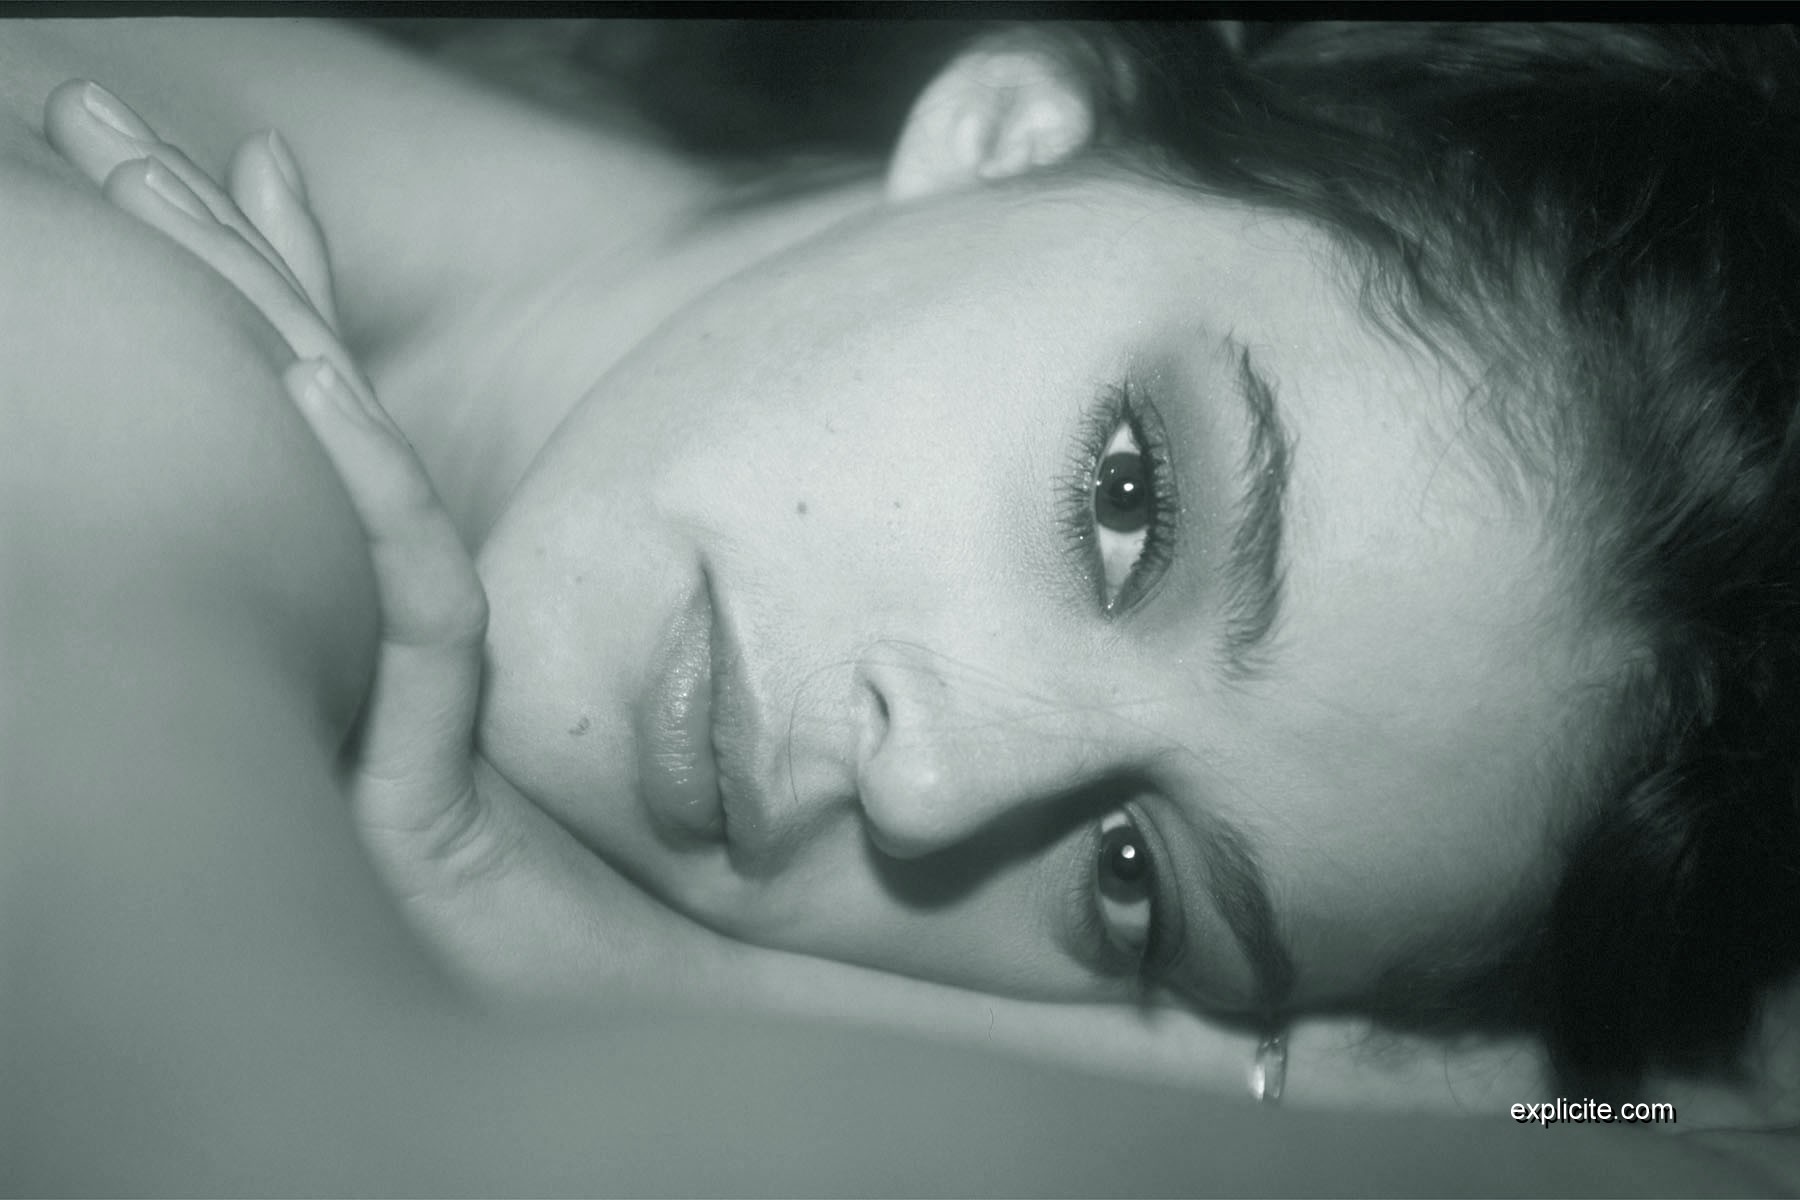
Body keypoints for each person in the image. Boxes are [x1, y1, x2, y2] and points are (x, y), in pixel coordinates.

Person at [4, 17, 1796, 1191]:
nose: (932, 788)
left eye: (1129, 879)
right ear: (1015, 130)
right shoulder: (107, 329)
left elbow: (1657, 1121)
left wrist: (650, 970)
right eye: (1125, 506)